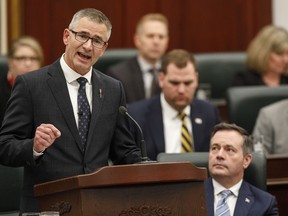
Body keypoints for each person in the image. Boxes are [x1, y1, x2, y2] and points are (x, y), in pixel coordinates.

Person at [0, 8, 142, 213]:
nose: (88, 46)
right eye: (82, 36)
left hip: (98, 206)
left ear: (104, 48)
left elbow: (124, 151)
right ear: (67, 36)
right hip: (46, 207)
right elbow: (5, 146)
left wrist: (148, 167)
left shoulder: (113, 89)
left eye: (97, 40)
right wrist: (34, 147)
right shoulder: (31, 85)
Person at [128, 49, 220, 160]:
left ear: (196, 79)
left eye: (188, 83)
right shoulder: (136, 115)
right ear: (161, 79)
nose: (181, 90)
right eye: (174, 83)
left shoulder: (209, 112)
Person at [204, 122, 279, 216]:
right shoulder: (188, 196)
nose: (219, 155)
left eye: (229, 149)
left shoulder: (265, 204)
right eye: (215, 148)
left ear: (246, 160)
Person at [105, 13, 169, 103]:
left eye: (161, 37)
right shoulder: (118, 75)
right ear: (137, 40)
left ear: (167, 42)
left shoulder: (173, 73)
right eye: (150, 36)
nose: (156, 42)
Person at [0, 36, 44, 126]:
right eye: (21, 58)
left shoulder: (48, 88)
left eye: (33, 58)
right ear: (10, 61)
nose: (28, 64)